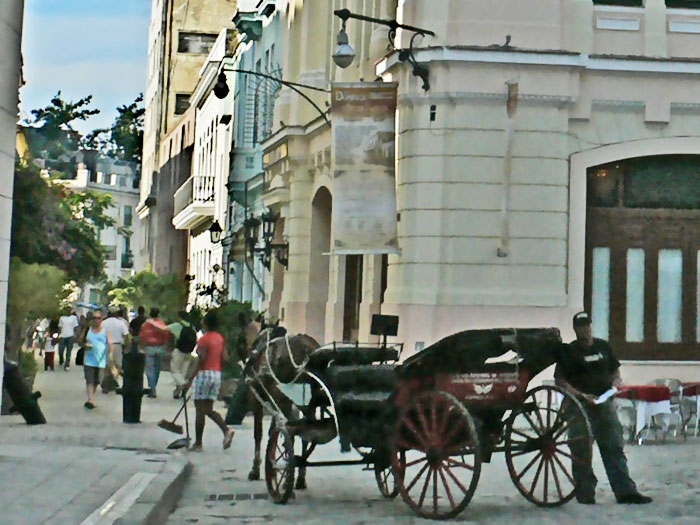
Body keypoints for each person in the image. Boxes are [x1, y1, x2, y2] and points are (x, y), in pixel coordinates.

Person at [555, 311, 652, 505]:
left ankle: (625, 491)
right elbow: (560, 380)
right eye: (582, 327)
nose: (586, 330)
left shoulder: (603, 347)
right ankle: (584, 491)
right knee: (581, 449)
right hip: (579, 406)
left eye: (588, 325)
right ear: (576, 330)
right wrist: (581, 395)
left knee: (614, 446)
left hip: (604, 402)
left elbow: (614, 369)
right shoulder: (569, 352)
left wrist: (616, 381)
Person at [185, 310, 234, 452]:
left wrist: (190, 379)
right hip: (216, 374)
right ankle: (226, 431)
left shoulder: (203, 340)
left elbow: (200, 360)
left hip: (204, 374)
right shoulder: (220, 338)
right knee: (208, 409)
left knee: (200, 409)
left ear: (206, 323)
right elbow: (225, 358)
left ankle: (199, 443)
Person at [80, 310, 112, 409]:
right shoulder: (87, 330)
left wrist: (110, 357)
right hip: (89, 359)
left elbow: (110, 344)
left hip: (101, 360)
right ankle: (90, 399)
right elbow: (80, 341)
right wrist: (85, 345)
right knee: (89, 379)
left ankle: (91, 398)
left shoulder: (106, 331)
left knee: (97, 380)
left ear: (101, 319)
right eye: (94, 318)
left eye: (98, 318)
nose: (96, 320)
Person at [139, 308, 171, 398]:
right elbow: (167, 335)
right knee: (157, 368)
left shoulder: (145, 325)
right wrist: (165, 345)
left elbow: (142, 336)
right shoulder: (162, 324)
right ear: (158, 314)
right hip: (160, 348)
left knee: (150, 369)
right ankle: (154, 386)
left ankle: (152, 389)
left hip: (149, 348)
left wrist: (142, 347)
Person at [168, 311, 197, 399]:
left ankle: (183, 384)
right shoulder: (192, 327)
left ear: (179, 317)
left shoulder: (176, 325)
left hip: (179, 350)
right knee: (183, 372)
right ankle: (177, 392)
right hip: (188, 351)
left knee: (175, 370)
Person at [101, 308, 130, 393]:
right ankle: (114, 382)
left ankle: (106, 385)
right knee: (118, 366)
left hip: (106, 345)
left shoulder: (103, 323)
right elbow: (126, 335)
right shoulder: (121, 323)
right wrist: (127, 346)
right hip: (117, 345)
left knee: (106, 365)